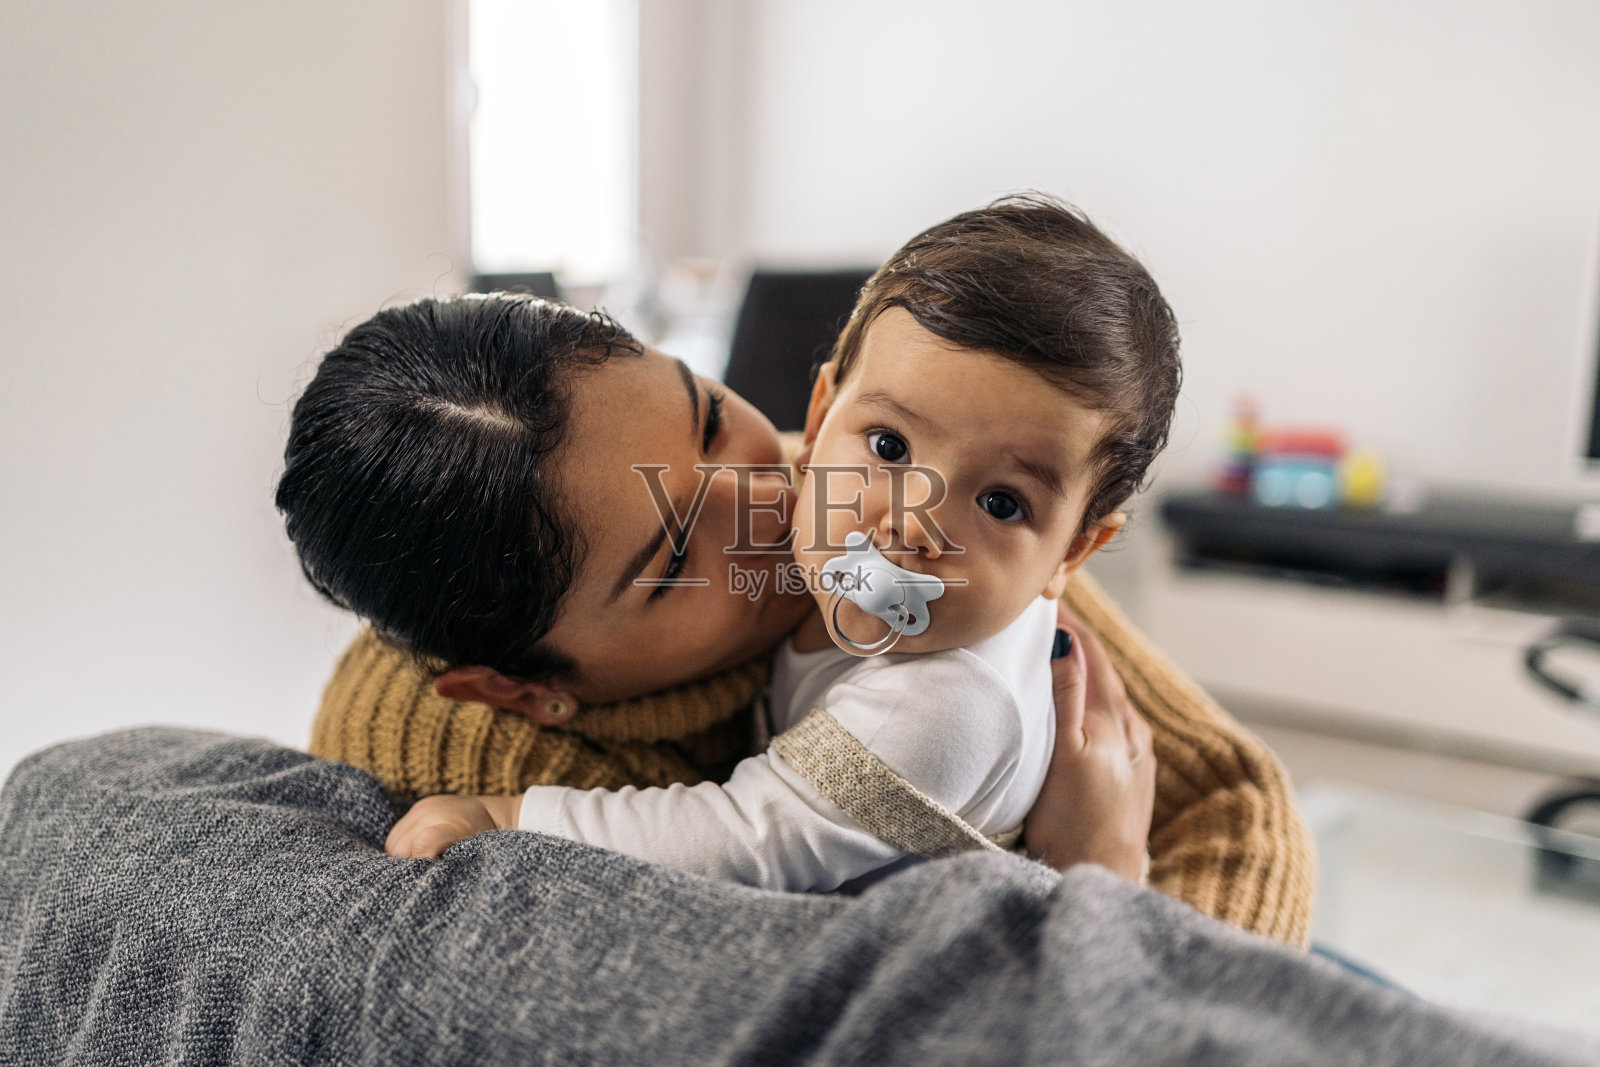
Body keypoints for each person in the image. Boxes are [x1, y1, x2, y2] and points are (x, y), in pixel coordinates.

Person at [284, 197, 1314, 944]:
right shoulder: (452, 778)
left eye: (704, 410)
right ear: (523, 690)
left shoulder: (894, 516)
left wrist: (1121, 916)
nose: (772, 495)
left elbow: (1232, 797)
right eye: (676, 551)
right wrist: (1092, 887)